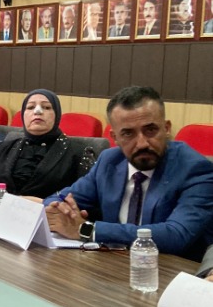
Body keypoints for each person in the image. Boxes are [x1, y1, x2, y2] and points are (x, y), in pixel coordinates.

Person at [44, 87, 213, 261]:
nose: (141, 143)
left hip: (171, 271)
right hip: (114, 264)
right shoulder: (109, 161)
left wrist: (87, 230)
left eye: (150, 130)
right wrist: (59, 211)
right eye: (128, 133)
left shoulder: (195, 169)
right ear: (115, 137)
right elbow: (56, 200)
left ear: (167, 128)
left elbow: (176, 236)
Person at [0, 89, 95, 198]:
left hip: (49, 225)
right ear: (23, 115)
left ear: (57, 115)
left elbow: (88, 203)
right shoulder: (6, 146)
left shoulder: (78, 152)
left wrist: (45, 204)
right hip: (0, 220)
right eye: (30, 107)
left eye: (46, 107)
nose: (38, 111)